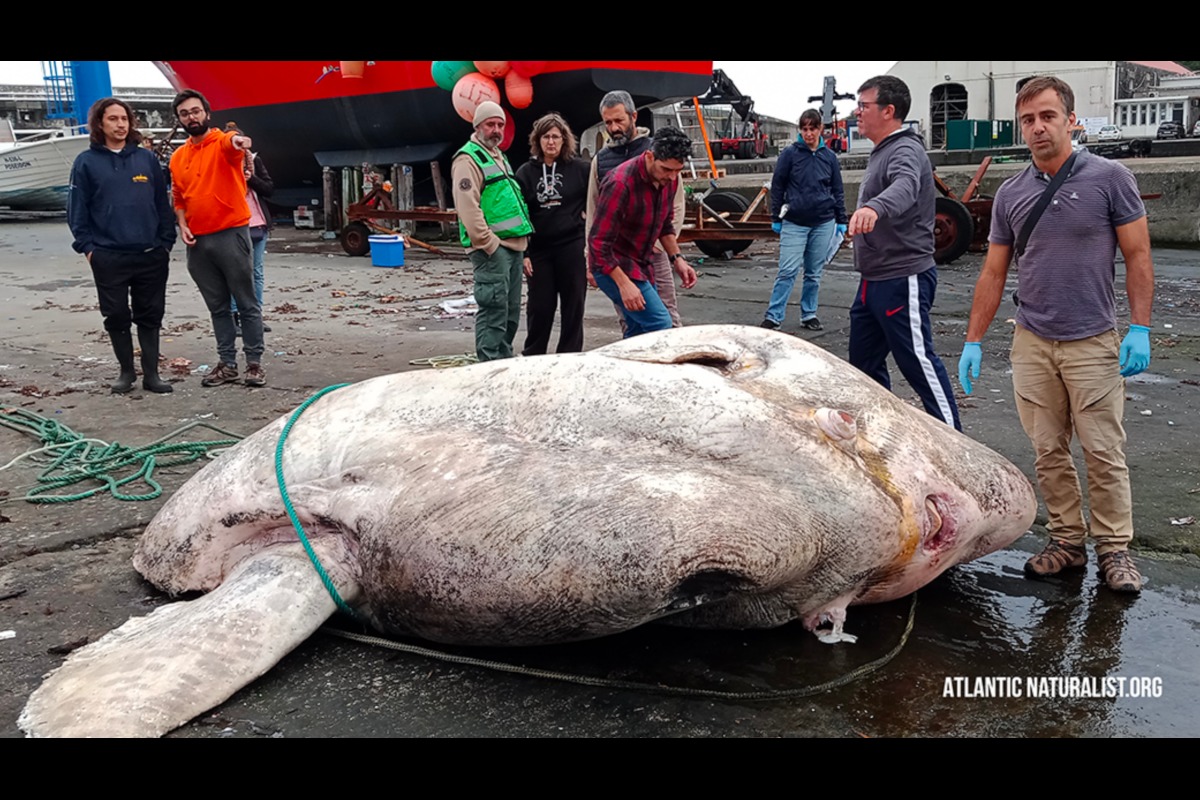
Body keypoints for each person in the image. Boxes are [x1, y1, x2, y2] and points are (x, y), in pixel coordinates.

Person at [957, 76, 1154, 593]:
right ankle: (1067, 541)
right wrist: (973, 340)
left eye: (1048, 116)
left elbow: (1138, 255)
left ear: (1071, 120)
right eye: (1028, 119)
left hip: (1092, 339)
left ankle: (1115, 550)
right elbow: (994, 272)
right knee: (1048, 450)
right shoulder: (1012, 193)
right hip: (1033, 340)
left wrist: (1140, 328)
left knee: (1103, 451)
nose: (1038, 127)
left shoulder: (1110, 178)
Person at [847, 75, 960, 430]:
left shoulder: (905, 150)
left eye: (864, 106)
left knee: (917, 362)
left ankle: (956, 443)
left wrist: (874, 208)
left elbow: (906, 187)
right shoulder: (882, 151)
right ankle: (881, 434)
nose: (856, 113)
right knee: (863, 365)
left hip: (902, 276)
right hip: (873, 279)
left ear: (889, 111)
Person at [68, 97, 176, 394]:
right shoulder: (86, 162)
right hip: (108, 255)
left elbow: (161, 203)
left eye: (124, 119)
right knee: (116, 314)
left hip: (150, 253)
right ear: (100, 124)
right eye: (113, 119)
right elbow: (77, 209)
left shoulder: (146, 159)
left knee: (150, 314)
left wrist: (166, 242)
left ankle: (152, 375)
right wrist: (88, 248)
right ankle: (126, 372)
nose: (120, 124)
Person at [169, 90, 266, 387]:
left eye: (196, 111)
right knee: (218, 306)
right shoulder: (178, 157)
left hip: (231, 234)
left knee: (247, 302)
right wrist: (182, 225)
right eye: (185, 113)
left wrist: (237, 140)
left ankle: (254, 363)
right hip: (198, 241)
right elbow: (179, 197)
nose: (191, 117)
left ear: (207, 114)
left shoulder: (222, 145)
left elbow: (231, 143)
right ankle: (227, 364)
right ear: (179, 119)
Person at [586, 90, 688, 328]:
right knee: (657, 323)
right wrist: (612, 277)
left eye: (619, 120)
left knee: (654, 321)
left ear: (634, 117)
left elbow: (669, 217)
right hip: (616, 258)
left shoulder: (667, 163)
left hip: (652, 251)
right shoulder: (613, 175)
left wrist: (676, 256)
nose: (614, 128)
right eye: (608, 122)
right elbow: (595, 230)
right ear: (650, 158)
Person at [451, 101, 534, 363]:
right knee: (494, 309)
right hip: (492, 249)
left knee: (510, 312)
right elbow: (467, 204)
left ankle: (503, 359)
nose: (496, 130)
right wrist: (487, 243)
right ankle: (488, 364)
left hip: (512, 246)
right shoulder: (468, 159)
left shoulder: (499, 157)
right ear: (478, 126)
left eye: (500, 125)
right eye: (490, 124)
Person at [763, 109, 847, 332]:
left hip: (823, 222)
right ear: (800, 130)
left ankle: (809, 314)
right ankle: (774, 316)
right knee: (787, 270)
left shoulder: (829, 158)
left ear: (821, 129)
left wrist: (841, 219)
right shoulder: (790, 154)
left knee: (813, 273)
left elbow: (837, 190)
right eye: (804, 129)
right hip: (795, 222)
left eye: (813, 128)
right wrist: (776, 217)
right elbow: (778, 185)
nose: (809, 133)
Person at [515, 113, 590, 355]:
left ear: (564, 140)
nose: (551, 142)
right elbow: (519, 215)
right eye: (546, 137)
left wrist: (588, 215)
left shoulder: (581, 169)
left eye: (556, 137)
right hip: (539, 249)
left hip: (572, 245)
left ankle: (569, 354)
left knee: (574, 304)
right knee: (540, 306)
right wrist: (523, 253)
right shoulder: (525, 172)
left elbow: (599, 197)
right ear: (538, 141)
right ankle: (533, 354)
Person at [223, 123, 274, 337]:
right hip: (234, 225)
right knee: (237, 273)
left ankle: (255, 316)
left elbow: (269, 188)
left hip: (258, 224)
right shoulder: (221, 165)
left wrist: (250, 178)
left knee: (257, 273)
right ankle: (235, 316)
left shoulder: (254, 161)